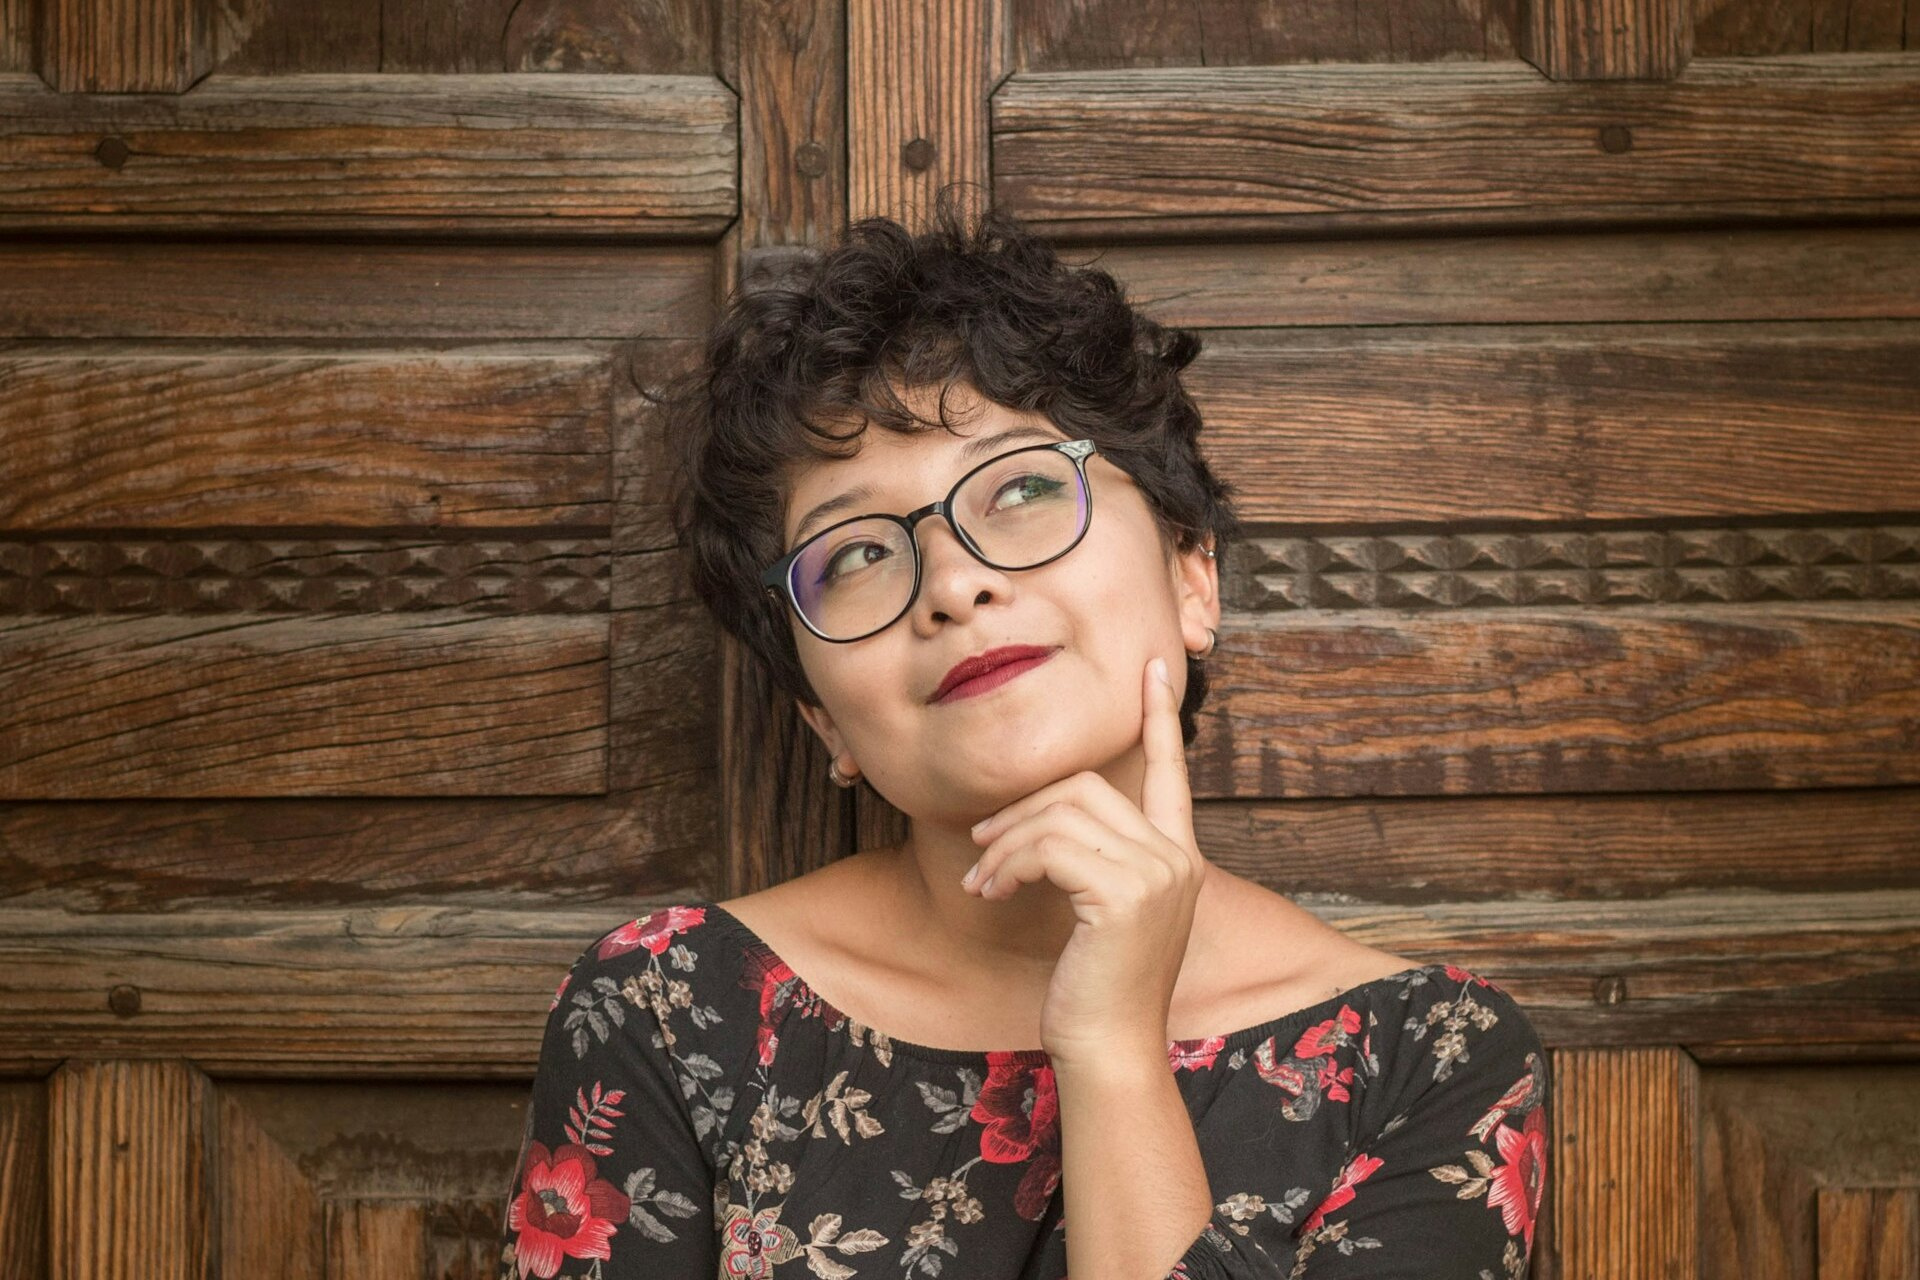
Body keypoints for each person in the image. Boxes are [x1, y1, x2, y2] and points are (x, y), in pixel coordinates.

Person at [494, 186, 1550, 1279]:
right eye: (857, 553)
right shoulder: (665, 1010)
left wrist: (1112, 1048)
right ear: (820, 713)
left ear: (1194, 573)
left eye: (1023, 489)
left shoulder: (1434, 1060)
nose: (954, 584)